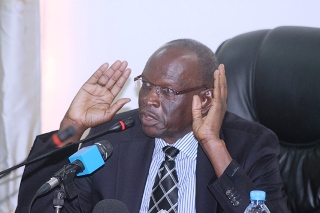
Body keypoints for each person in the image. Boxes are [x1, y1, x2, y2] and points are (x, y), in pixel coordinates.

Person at [16, 39, 289, 213]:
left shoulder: (251, 145)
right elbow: (39, 209)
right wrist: (71, 130)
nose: (149, 100)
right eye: (146, 85)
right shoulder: (111, 140)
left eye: (167, 91)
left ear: (205, 98)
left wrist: (213, 145)